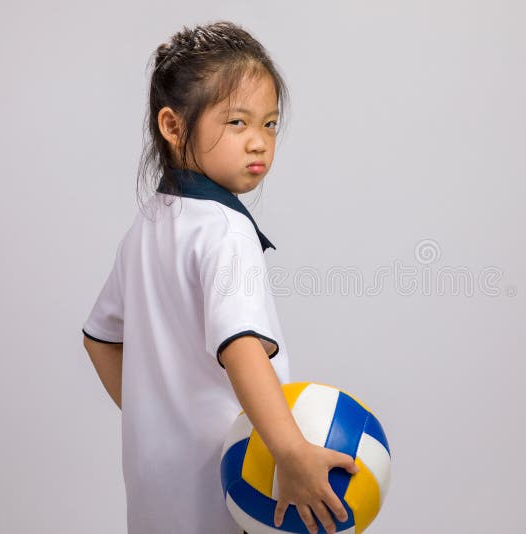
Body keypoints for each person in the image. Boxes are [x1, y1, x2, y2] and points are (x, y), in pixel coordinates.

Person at [81, 21, 358, 534]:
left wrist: (159, 417)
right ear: (173, 125)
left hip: (154, 485)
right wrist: (291, 452)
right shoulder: (227, 230)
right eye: (237, 122)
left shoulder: (147, 225)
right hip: (227, 484)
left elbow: (99, 339)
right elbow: (241, 347)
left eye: (270, 124)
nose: (259, 143)